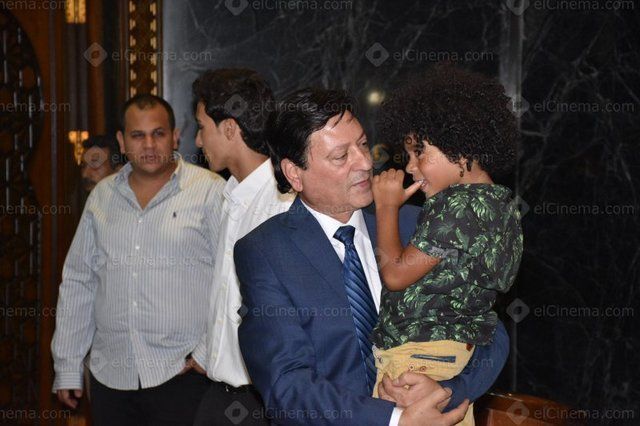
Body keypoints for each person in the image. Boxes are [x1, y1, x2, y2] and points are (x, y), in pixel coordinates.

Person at [234, 88, 510, 425]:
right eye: (341, 156)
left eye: (363, 145)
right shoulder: (266, 252)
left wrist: (447, 390)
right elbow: (287, 385)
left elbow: (491, 333)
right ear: (294, 173)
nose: (365, 163)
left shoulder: (422, 226)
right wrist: (394, 420)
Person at [51, 94, 225, 426]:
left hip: (184, 374)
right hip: (111, 377)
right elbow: (79, 282)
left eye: (158, 133)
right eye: (137, 135)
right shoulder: (102, 196)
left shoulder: (210, 191)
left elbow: (231, 280)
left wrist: (207, 352)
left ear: (175, 136)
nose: (148, 145)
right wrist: (68, 365)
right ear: (121, 141)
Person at [370, 65, 524, 426]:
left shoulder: (457, 207)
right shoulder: (500, 206)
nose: (411, 167)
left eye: (420, 153)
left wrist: (386, 208)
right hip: (449, 358)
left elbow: (395, 275)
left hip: (419, 359)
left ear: (460, 148)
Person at [190, 68, 294, 425]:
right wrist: (207, 352)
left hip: (261, 402)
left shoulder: (281, 203)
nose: (198, 141)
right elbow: (228, 295)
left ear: (230, 128)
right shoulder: (232, 195)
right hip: (222, 392)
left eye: (202, 127)